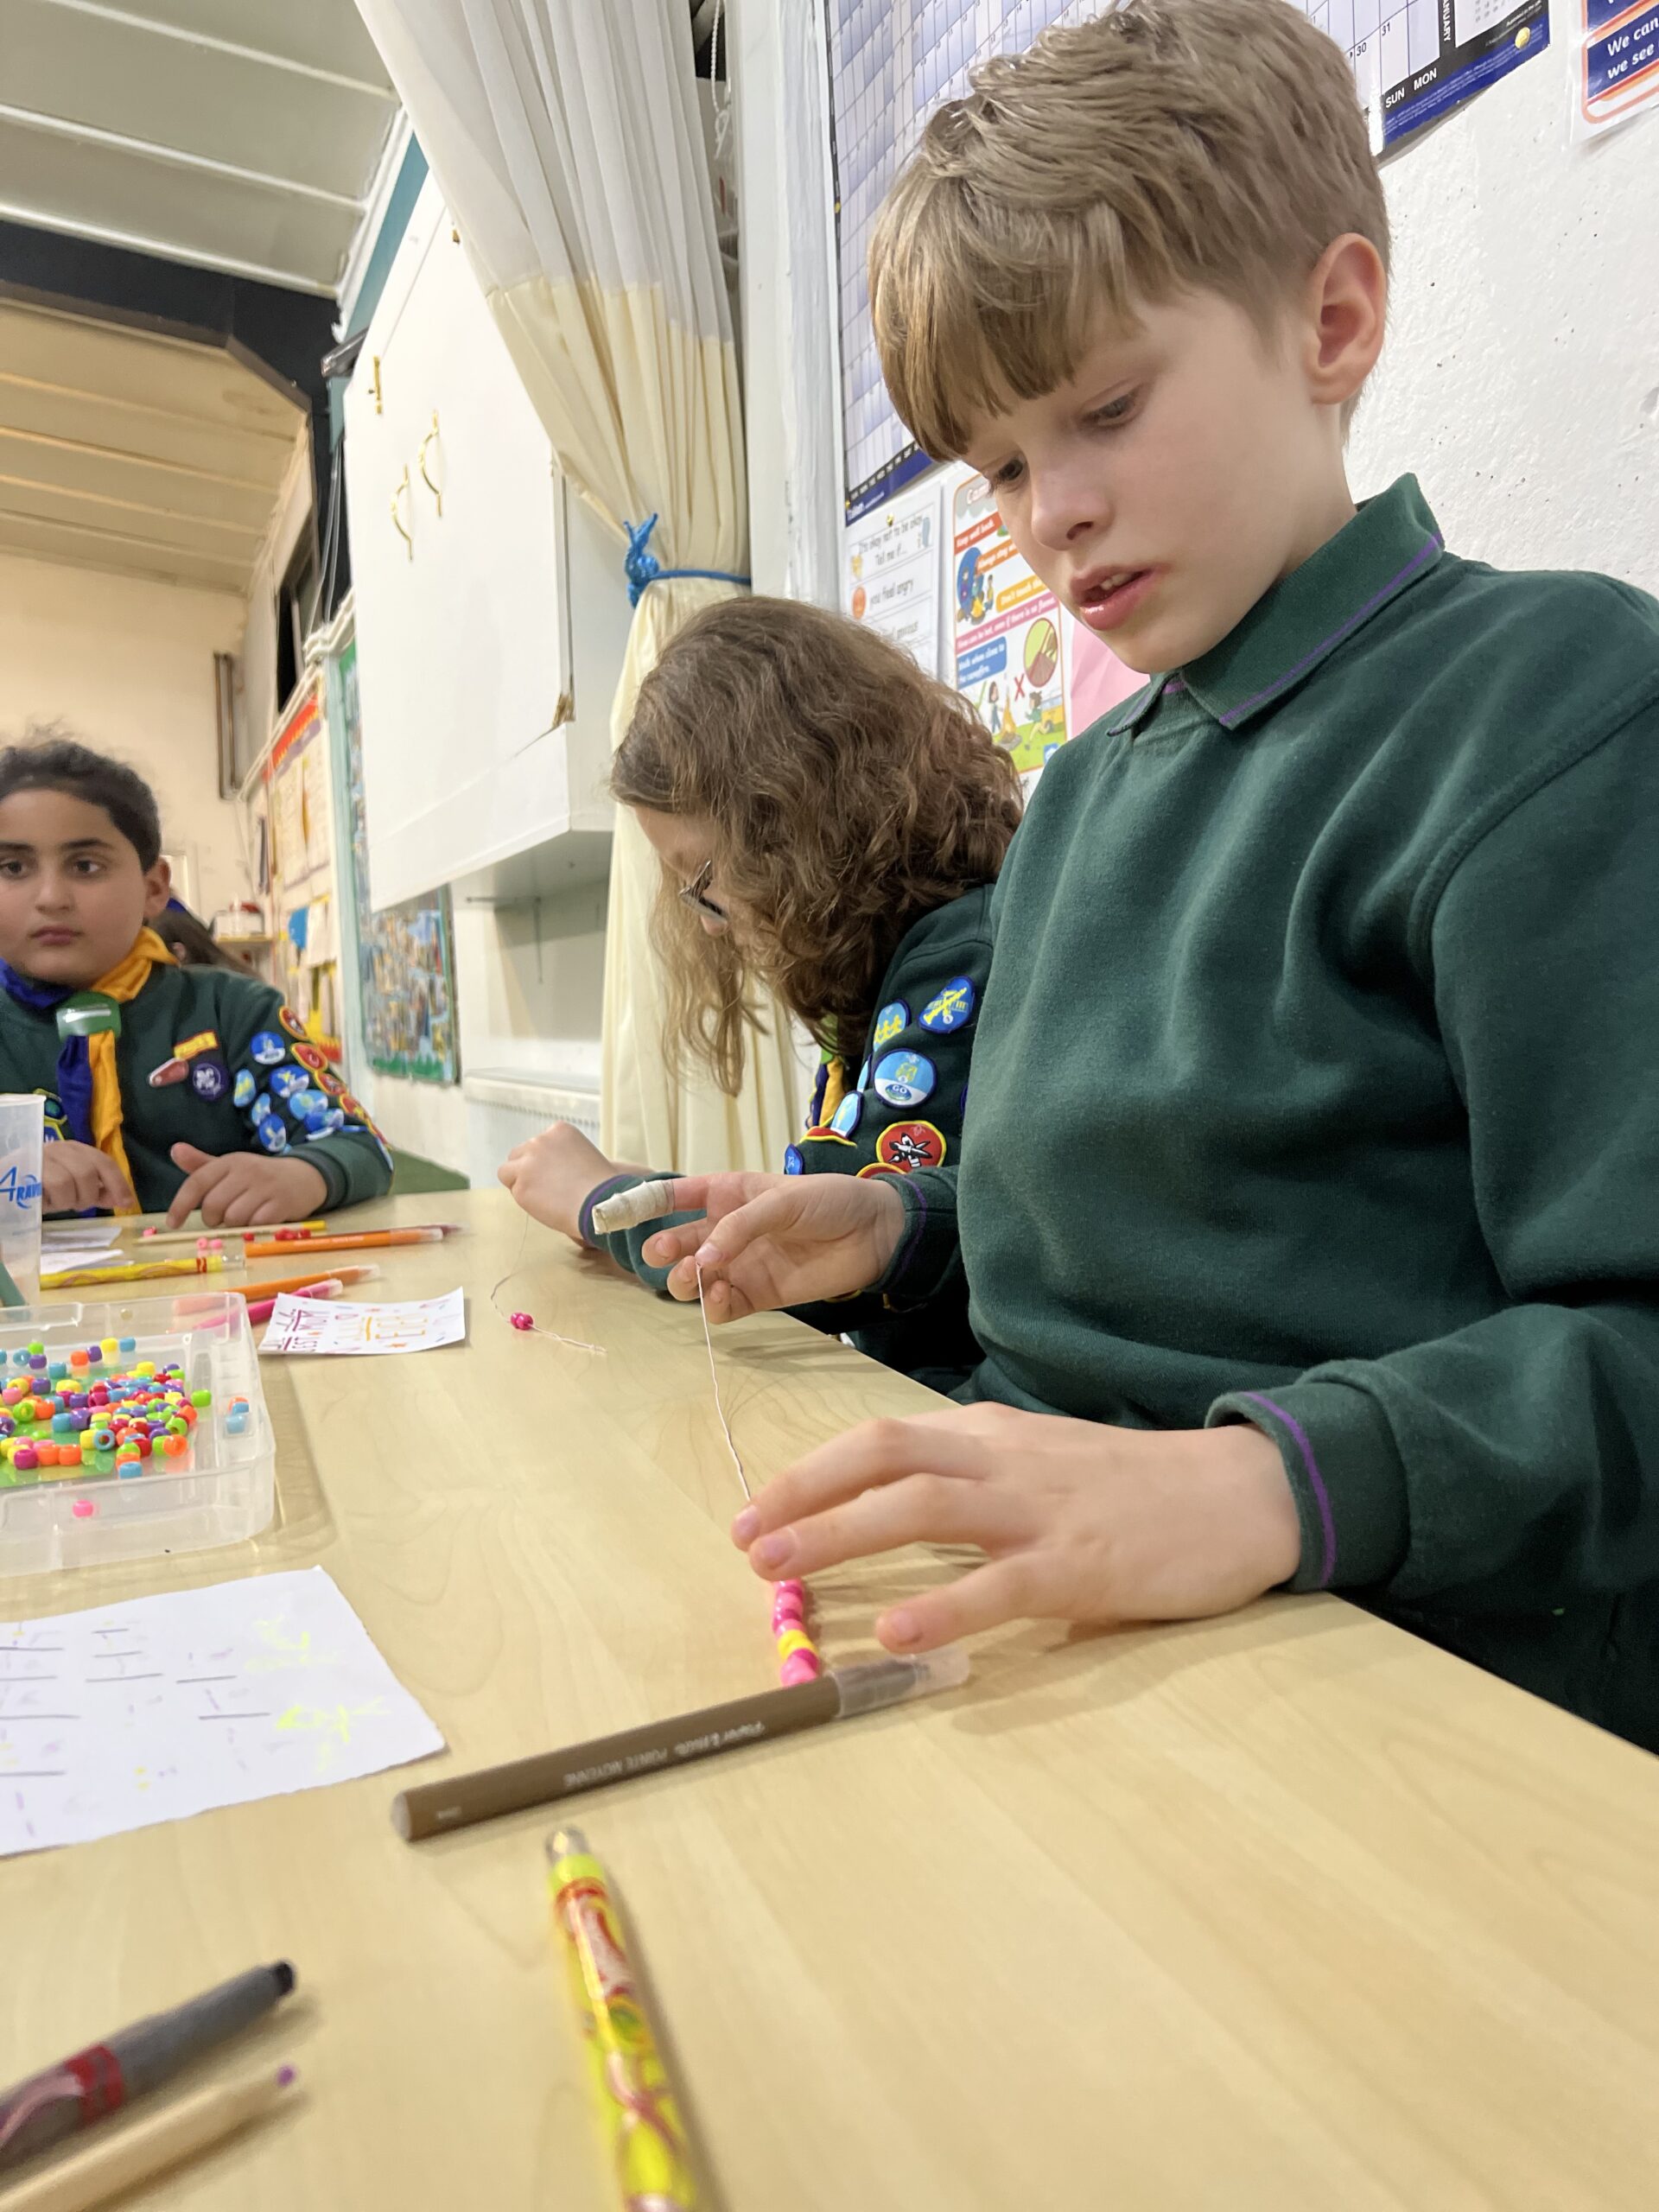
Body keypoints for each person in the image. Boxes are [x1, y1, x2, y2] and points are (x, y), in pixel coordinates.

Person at [633, 0, 1659, 1753]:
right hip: (1051, 1611)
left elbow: (1629, 1349)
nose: (1051, 511)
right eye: (1002, 465)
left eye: (1106, 408)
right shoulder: (1084, 797)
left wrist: (1263, 1482)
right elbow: (1150, 1243)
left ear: (1331, 322)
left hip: (1392, 1671)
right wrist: (909, 1235)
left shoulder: (1552, 705)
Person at [498, 595, 1020, 1384]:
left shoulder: (958, 961)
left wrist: (600, 1198)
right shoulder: (886, 972)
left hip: (959, 1412)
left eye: (702, 879)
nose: (708, 926)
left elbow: (817, 1253)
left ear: (793, 823)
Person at [0, 734, 394, 1224]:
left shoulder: (233, 1011)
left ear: (154, 888)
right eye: (13, 867)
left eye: (85, 866)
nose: (51, 897)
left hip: (213, 1270)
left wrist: (303, 1174)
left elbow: (358, 1146)